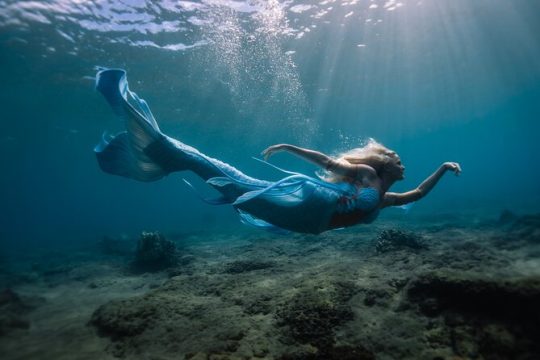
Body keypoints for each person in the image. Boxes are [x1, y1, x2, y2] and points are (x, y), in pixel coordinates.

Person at [93, 68, 461, 235]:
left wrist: (443, 168)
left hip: (304, 224)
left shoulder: (384, 198)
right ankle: (142, 125)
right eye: (397, 158)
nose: (402, 163)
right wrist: (289, 147)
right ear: (383, 164)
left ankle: (160, 148)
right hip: (307, 206)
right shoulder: (366, 177)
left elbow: (419, 194)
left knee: (232, 184)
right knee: (230, 181)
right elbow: (328, 162)